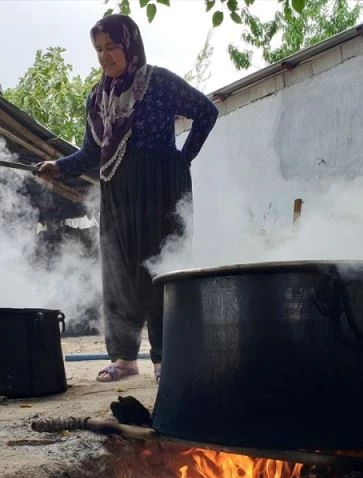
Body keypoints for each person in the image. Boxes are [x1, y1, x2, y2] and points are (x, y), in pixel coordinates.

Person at [37, 13, 218, 384]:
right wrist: (59, 166)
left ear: (130, 45)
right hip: (116, 190)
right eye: (99, 49)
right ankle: (124, 358)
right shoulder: (98, 97)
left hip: (160, 189)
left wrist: (183, 159)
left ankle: (167, 358)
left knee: (160, 269)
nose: (105, 56)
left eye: (112, 46)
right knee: (118, 271)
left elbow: (206, 112)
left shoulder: (159, 82)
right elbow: (91, 152)